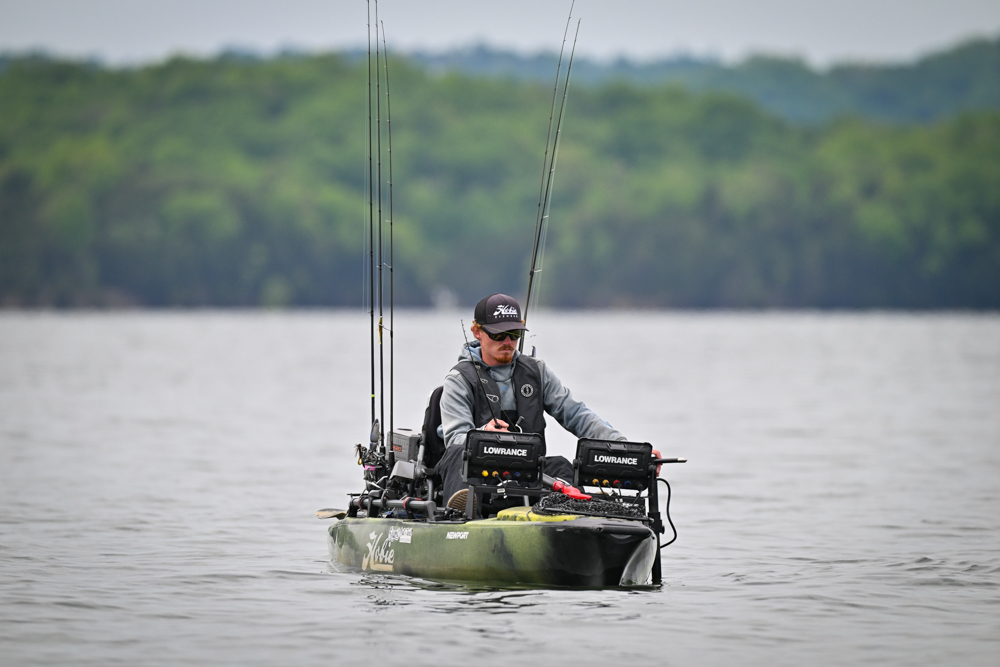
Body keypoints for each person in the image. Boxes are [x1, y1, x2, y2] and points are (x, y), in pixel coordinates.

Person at [436, 292, 627, 512]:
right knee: (459, 452)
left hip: (528, 472)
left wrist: (622, 446)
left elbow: (576, 414)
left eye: (514, 334)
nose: (507, 342)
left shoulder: (537, 371)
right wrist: (483, 434)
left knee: (560, 465)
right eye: (499, 334)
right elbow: (455, 438)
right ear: (477, 331)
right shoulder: (458, 380)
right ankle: (462, 512)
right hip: (479, 474)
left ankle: (571, 516)